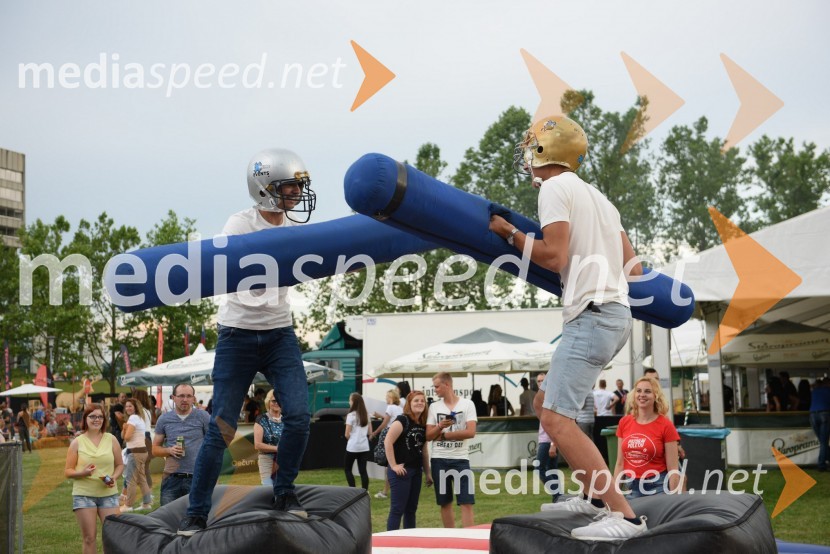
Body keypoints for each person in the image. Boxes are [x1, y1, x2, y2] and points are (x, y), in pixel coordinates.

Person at [491, 115, 646, 540]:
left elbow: (554, 255)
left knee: (557, 420)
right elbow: (634, 267)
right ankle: (594, 496)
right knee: (545, 405)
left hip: (592, 314)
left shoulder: (555, 188)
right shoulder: (599, 197)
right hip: (615, 313)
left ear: (542, 151)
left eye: (531, 147)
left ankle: (625, 515)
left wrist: (510, 234)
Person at [178, 148, 316, 536]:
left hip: (279, 332)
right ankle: (196, 511)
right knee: (221, 426)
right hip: (237, 333)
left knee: (300, 417)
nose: (296, 194)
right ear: (265, 188)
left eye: (298, 187)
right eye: (290, 186)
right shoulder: (240, 224)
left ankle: (284, 490)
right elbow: (221, 267)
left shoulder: (294, 226)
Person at [64, 403, 124, 554]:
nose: (96, 420)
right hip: (84, 495)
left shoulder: (111, 439)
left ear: (104, 419)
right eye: (92, 416)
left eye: (100, 417)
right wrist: (82, 473)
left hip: (108, 495)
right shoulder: (77, 442)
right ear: (85, 419)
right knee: (89, 538)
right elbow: (68, 471)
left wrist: (114, 478)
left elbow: (120, 465)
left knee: (113, 536)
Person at [614, 377, 683, 498]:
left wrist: (674, 500)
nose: (642, 395)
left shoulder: (666, 425)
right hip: (631, 488)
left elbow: (673, 469)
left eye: (647, 391)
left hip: (658, 487)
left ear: (656, 396)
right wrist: (614, 496)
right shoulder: (624, 422)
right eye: (638, 391)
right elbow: (620, 463)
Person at [426, 372, 478, 528]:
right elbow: (428, 435)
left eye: (437, 386)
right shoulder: (434, 407)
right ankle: (451, 536)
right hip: (439, 459)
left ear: (447, 384)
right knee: (445, 501)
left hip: (461, 459)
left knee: (466, 501)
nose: (435, 390)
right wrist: (439, 427)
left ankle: (469, 537)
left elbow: (470, 432)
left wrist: (444, 435)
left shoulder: (468, 404)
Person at [152, 383, 210, 505]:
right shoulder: (164, 419)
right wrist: (169, 450)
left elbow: (213, 444)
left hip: (197, 477)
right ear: (173, 397)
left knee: (198, 518)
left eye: (189, 396)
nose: (185, 399)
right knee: (168, 518)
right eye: (181, 396)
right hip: (171, 478)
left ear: (194, 398)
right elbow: (154, 449)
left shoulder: (203, 416)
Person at [385, 391, 432, 530]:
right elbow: (388, 442)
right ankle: (390, 544)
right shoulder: (402, 420)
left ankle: (409, 541)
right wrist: (393, 465)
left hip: (416, 471)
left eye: (422, 401)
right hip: (401, 472)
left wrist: (427, 473)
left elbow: (424, 451)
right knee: (397, 509)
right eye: (416, 400)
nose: (420, 403)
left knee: (411, 510)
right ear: (409, 404)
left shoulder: (423, 424)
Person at [120, 398, 153, 512]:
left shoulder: (133, 418)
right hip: (142, 451)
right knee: (142, 478)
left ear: (135, 407)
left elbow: (126, 437)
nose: (128, 408)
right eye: (126, 406)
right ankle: (146, 503)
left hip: (135, 452)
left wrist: (124, 428)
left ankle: (128, 505)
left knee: (131, 479)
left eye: (130, 406)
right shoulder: (140, 418)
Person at [370, 389, 404, 499]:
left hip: (389, 434)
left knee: (388, 464)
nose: (385, 398)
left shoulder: (390, 407)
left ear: (391, 397)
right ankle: (395, 489)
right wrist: (380, 415)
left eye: (387, 396)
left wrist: (375, 432)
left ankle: (385, 491)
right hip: (399, 435)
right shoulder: (400, 408)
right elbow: (392, 419)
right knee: (396, 462)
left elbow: (385, 423)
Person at [535, 373, 560, 508]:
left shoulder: (551, 399)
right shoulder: (542, 398)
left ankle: (557, 494)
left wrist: (553, 444)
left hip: (548, 440)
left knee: (540, 468)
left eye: (542, 381)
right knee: (551, 469)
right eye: (538, 381)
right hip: (546, 439)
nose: (540, 383)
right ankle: (557, 499)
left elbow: (555, 423)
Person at [254, 390, 285, 486]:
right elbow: (257, 445)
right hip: (267, 459)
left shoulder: (286, 420)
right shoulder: (262, 419)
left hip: (283, 460)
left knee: (283, 488)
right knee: (268, 489)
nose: (276, 403)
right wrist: (278, 449)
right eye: (274, 401)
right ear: (269, 402)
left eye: (279, 401)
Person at [344, 392, 372, 490]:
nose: (349, 402)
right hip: (364, 447)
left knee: (347, 469)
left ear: (353, 402)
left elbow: (347, 434)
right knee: (363, 471)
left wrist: (351, 439)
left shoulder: (351, 415)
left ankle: (353, 490)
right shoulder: (366, 415)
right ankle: (365, 491)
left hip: (352, 447)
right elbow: (370, 432)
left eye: (350, 400)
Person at [810, 378, 830, 471]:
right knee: (824, 442)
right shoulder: (828, 390)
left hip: (813, 415)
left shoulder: (815, 391)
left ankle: (826, 460)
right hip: (825, 414)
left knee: (822, 441)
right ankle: (821, 464)